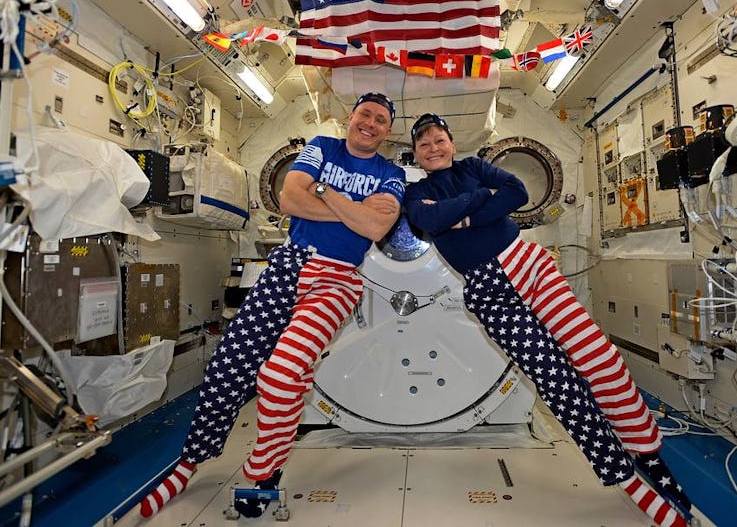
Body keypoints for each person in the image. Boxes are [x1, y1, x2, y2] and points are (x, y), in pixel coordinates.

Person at [403, 113, 692, 527]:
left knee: (599, 358)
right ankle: (625, 477)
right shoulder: (416, 193)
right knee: (558, 384)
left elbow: (517, 192)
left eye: (439, 139)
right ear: (416, 153)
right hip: (490, 292)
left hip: (529, 265)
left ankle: (648, 454)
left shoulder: (473, 167)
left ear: (451, 142)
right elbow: (429, 221)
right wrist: (479, 201)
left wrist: (460, 215)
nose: (433, 147)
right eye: (424, 143)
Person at [140, 92, 405, 518]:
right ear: (351, 117)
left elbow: (375, 225)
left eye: (380, 119)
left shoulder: (390, 174)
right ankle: (188, 463)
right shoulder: (322, 145)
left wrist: (323, 191)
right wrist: (352, 208)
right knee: (229, 365)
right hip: (289, 266)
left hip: (336, 280)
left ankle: (263, 469)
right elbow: (288, 200)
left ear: (387, 130)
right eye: (365, 114)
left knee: (280, 375)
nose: (371, 123)